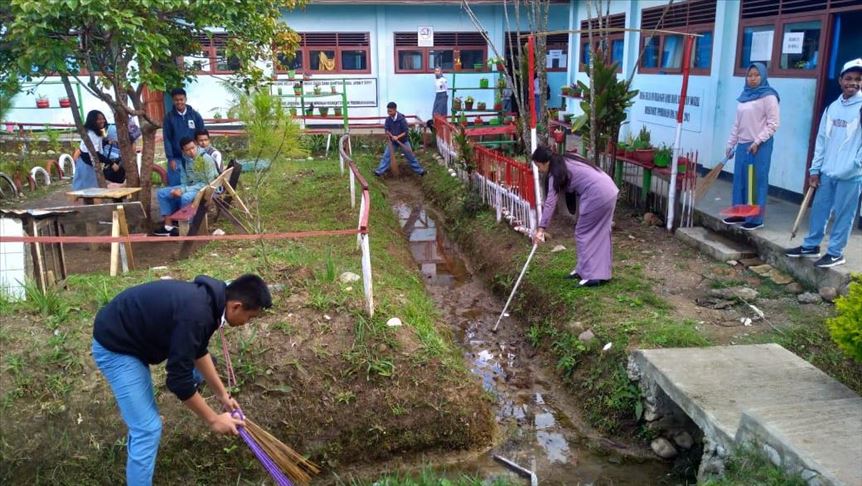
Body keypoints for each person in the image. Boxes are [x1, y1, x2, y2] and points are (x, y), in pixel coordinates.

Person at [92, 274, 272, 485]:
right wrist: (214, 420)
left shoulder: (211, 303)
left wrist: (223, 395)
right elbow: (178, 380)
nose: (246, 323)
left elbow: (198, 350)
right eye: (249, 317)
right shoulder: (197, 314)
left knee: (204, 364)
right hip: (116, 346)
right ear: (236, 306)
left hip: (134, 336)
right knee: (147, 429)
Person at [785, 58, 862, 268]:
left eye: (858, 79)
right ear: (840, 80)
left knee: (844, 215)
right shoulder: (832, 108)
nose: (853, 83)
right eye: (849, 78)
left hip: (851, 175)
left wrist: (855, 165)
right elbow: (821, 141)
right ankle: (811, 245)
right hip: (827, 172)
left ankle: (836, 253)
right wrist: (815, 169)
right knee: (820, 210)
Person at [532, 146, 619, 287]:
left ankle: (591, 276)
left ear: (545, 162)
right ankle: (591, 271)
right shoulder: (568, 158)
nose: (540, 170)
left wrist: (541, 229)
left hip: (597, 193)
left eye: (538, 166)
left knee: (583, 232)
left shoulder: (555, 173)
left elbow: (550, 203)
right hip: (609, 188)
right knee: (601, 232)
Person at [724, 62, 780, 231]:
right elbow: (737, 124)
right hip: (742, 145)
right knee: (740, 180)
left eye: (756, 75)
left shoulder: (769, 96)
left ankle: (755, 219)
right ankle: (740, 213)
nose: (753, 78)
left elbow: (773, 124)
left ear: (763, 76)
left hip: (760, 146)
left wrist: (757, 141)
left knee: (755, 182)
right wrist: (730, 144)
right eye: (750, 75)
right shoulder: (744, 96)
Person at [154, 136, 218, 237]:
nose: (191, 151)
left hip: (204, 189)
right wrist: (179, 189)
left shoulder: (205, 159)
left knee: (185, 197)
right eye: (187, 150)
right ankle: (168, 227)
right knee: (162, 193)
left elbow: (208, 182)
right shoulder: (184, 160)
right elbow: (184, 181)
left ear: (196, 146)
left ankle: (189, 227)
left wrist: (183, 190)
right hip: (190, 187)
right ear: (183, 151)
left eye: (193, 148)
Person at [163, 88, 205, 186]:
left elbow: (201, 135)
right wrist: (170, 158)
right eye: (176, 100)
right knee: (176, 186)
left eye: (181, 99)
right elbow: (167, 139)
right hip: (176, 158)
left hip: (193, 157)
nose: (179, 102)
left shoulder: (195, 115)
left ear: (185, 99)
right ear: (173, 101)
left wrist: (201, 154)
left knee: (196, 184)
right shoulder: (169, 118)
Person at [373, 102, 426, 177]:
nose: (389, 113)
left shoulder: (402, 119)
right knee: (386, 156)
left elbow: (405, 132)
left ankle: (420, 171)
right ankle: (379, 172)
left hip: (403, 141)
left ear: (395, 110)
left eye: (390, 111)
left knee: (410, 156)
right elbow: (386, 129)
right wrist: (390, 135)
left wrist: (397, 137)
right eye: (388, 111)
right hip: (393, 142)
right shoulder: (388, 119)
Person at [71, 110, 108, 190]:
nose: (102, 121)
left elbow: (98, 143)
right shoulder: (91, 134)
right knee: (88, 188)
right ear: (93, 121)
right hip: (86, 164)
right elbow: (95, 153)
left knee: (86, 187)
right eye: (99, 119)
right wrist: (111, 163)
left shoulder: (96, 132)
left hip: (88, 163)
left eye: (103, 119)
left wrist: (107, 142)